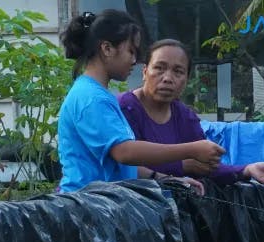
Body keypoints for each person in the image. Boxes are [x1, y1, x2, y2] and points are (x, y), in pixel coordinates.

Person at [57, 11, 225, 193]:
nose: (134, 60)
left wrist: (167, 179)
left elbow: (121, 167)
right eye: (131, 51)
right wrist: (191, 149)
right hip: (86, 207)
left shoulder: (99, 95)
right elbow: (125, 152)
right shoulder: (91, 98)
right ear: (106, 49)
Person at [118, 39, 264, 185]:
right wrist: (182, 165)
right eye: (159, 68)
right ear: (145, 72)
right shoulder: (124, 108)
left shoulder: (185, 117)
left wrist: (247, 170)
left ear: (187, 79)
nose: (167, 78)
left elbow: (204, 167)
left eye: (178, 71)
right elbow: (123, 165)